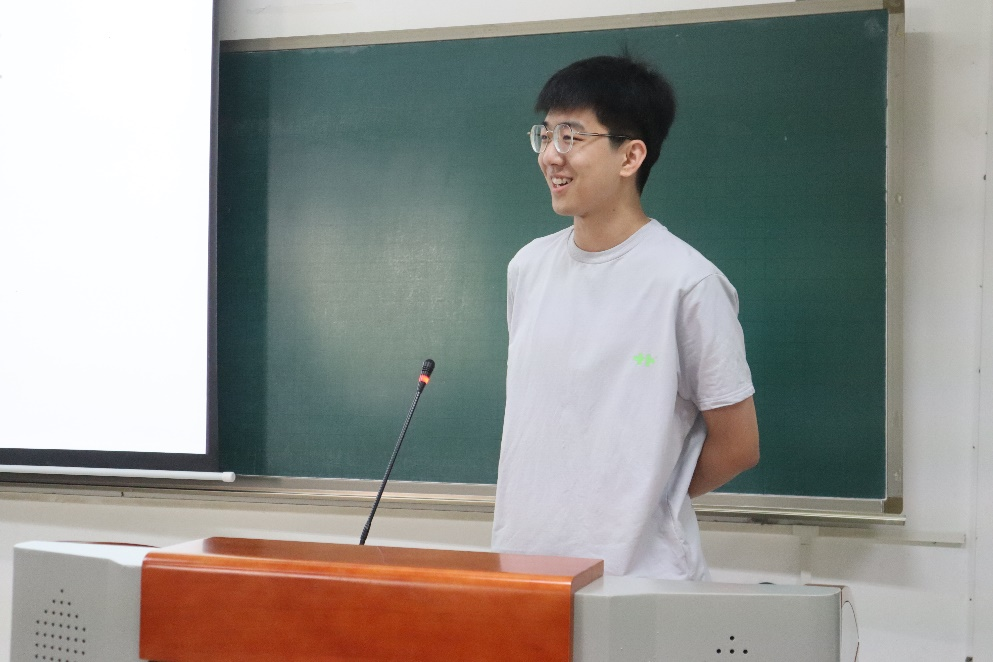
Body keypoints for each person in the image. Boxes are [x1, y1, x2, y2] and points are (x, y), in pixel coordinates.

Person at [491, 55, 760, 581]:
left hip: (641, 577)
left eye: (571, 136)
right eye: (545, 135)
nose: (551, 155)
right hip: (525, 565)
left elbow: (738, 445)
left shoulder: (687, 283)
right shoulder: (527, 267)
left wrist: (644, 503)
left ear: (631, 155)